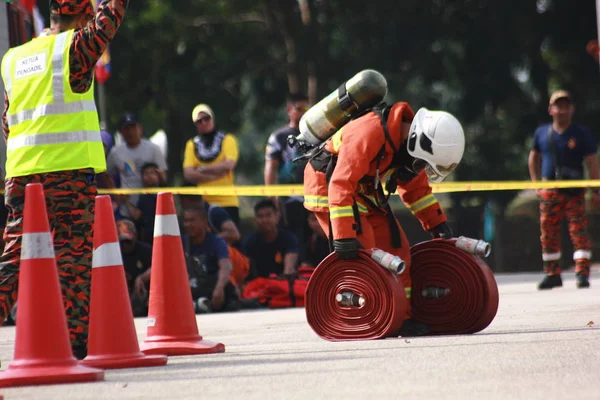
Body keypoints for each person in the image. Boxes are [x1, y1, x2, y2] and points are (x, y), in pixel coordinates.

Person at [0, 0, 129, 359]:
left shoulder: (14, 57)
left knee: (13, 260)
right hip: (68, 174)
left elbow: (8, 121)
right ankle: (73, 346)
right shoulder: (73, 48)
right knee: (72, 262)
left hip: (22, 174)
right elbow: (112, 15)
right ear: (84, 15)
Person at [303, 102, 465, 337]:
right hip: (328, 187)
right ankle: (372, 316)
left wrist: (437, 225)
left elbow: (416, 191)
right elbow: (340, 184)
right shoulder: (368, 133)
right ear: (418, 142)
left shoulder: (408, 147)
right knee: (367, 253)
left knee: (398, 251)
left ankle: (401, 318)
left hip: (363, 189)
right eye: (421, 164)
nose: (418, 168)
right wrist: (345, 237)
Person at [528, 90, 600, 290]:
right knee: (548, 232)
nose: (562, 110)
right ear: (551, 109)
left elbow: (592, 162)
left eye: (566, 105)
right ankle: (552, 273)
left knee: (579, 231)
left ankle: (582, 273)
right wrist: (536, 184)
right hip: (550, 190)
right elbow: (533, 158)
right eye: (558, 105)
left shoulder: (581, 133)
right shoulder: (542, 132)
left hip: (574, 191)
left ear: (572, 109)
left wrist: (595, 190)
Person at [183, 104, 240, 226]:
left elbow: (229, 164)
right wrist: (216, 174)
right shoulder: (191, 145)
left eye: (206, 118)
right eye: (199, 121)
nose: (204, 122)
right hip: (203, 204)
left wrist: (202, 169)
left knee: (231, 239)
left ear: (212, 118)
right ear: (195, 124)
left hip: (228, 201)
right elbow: (188, 173)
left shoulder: (228, 139)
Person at [107, 112, 167, 220]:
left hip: (152, 208)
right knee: (126, 236)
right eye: (126, 129)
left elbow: (163, 178)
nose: (130, 132)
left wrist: (156, 178)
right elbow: (106, 175)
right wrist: (116, 195)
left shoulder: (154, 149)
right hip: (126, 209)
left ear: (140, 128)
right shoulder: (115, 153)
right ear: (120, 132)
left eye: (133, 128)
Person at [182, 205, 239, 313]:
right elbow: (162, 265)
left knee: (228, 288)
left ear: (204, 222)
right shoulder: (180, 242)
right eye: (186, 221)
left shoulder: (216, 242)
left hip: (210, 288)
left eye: (192, 220)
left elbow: (225, 266)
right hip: (190, 287)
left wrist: (219, 288)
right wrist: (142, 278)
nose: (188, 225)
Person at [242, 198, 299, 280]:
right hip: (258, 287)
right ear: (255, 220)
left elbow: (288, 270)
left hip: (283, 285)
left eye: (268, 215)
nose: (264, 220)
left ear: (277, 217)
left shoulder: (289, 239)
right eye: (260, 216)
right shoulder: (249, 243)